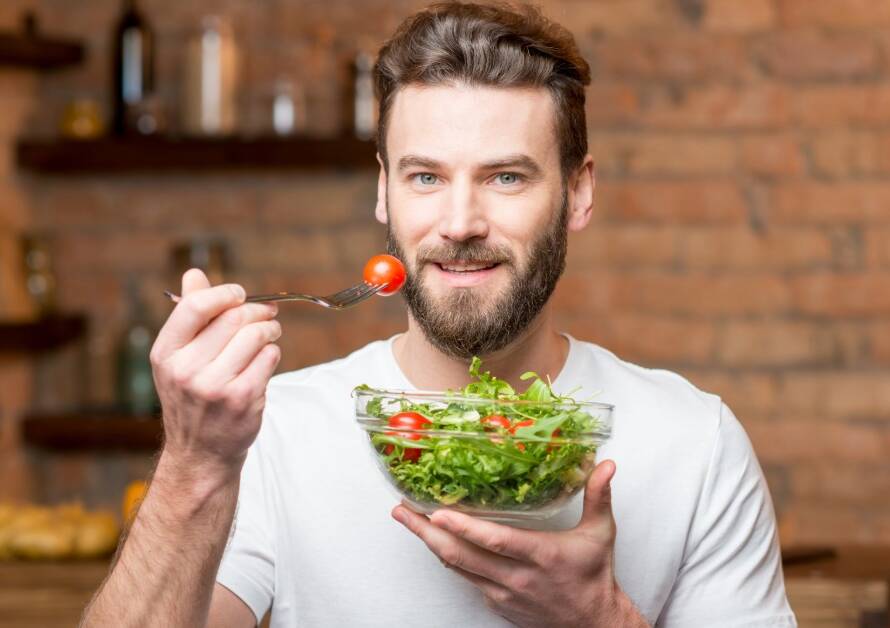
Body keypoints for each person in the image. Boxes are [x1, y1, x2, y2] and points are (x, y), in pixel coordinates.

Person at [80, 3, 796, 627]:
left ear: (578, 194)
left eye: (506, 177)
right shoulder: (274, 433)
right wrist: (192, 464)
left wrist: (599, 619)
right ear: (385, 193)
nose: (459, 222)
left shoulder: (695, 443)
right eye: (426, 177)